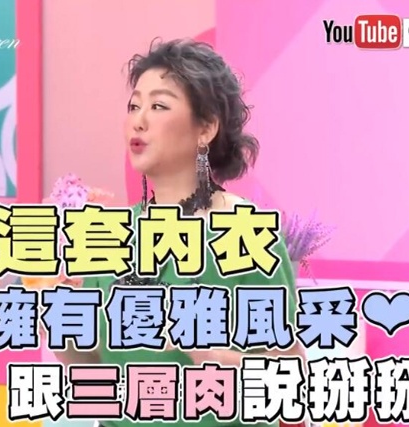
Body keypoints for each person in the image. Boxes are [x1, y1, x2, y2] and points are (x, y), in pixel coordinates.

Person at [60, 39, 300, 427]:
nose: (138, 121)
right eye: (134, 106)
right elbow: (95, 372)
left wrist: (214, 357)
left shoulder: (245, 233)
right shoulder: (109, 236)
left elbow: (288, 375)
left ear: (205, 128)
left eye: (158, 106)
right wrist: (58, 318)